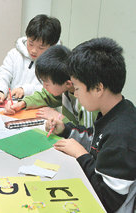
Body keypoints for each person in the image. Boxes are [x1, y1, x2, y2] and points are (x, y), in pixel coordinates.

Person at [46, 38, 136, 212]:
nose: (76, 95)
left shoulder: (122, 135)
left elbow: (107, 199)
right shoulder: (115, 110)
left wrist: (81, 155)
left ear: (98, 88)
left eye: (77, 89)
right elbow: (96, 138)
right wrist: (65, 130)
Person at [4, 45, 97, 128]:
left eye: (47, 84)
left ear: (68, 83)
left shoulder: (87, 103)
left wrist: (58, 117)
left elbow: (87, 136)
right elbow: (46, 96)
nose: (44, 87)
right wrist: (22, 104)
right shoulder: (65, 88)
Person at [0, 14, 61, 104]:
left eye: (41, 47)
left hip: (38, 108)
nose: (33, 51)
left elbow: (52, 90)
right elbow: (3, 75)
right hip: (11, 105)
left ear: (52, 46)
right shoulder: (15, 54)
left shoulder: (56, 62)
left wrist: (25, 90)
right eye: (30, 43)